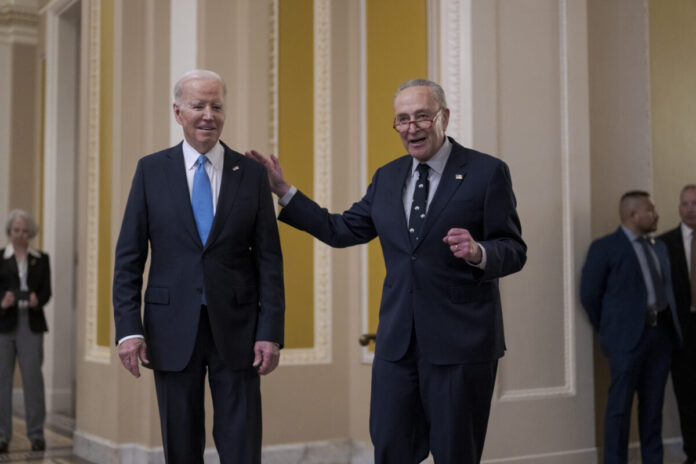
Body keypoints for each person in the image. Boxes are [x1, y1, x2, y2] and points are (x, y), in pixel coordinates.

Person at [247, 79, 526, 464]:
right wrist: (283, 190)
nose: (412, 128)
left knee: (455, 454)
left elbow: (514, 249)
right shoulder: (388, 176)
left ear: (443, 117)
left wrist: (478, 252)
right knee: (391, 450)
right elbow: (340, 229)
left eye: (422, 117)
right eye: (402, 120)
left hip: (461, 346)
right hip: (397, 346)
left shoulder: (486, 172)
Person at [113, 69, 285, 464]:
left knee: (242, 447)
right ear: (178, 112)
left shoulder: (253, 174)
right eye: (198, 106)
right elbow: (128, 260)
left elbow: (269, 261)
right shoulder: (150, 171)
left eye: (217, 106)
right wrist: (128, 330)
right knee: (181, 448)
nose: (208, 114)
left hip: (240, 332)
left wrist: (270, 331)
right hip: (170, 330)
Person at [580, 191, 682, 464]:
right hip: (625, 342)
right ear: (632, 215)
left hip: (659, 338)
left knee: (653, 409)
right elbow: (589, 295)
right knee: (619, 411)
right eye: (650, 210)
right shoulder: (605, 248)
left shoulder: (657, 246)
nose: (656, 214)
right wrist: (610, 332)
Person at [0, 210, 51, 453]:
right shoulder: (0, 258)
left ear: (30, 232)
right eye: (16, 230)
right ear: (9, 231)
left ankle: (36, 434)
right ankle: (2, 436)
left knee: (33, 380)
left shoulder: (41, 259)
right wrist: (3, 301)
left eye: (24, 231)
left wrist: (36, 300)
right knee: (2, 381)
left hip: (30, 324)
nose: (20, 235)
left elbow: (46, 292)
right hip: (4, 324)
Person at [657, 184, 696, 464]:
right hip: (681, 332)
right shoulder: (663, 243)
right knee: (687, 395)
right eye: (685, 203)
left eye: (695, 203)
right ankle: (693, 454)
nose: (690, 209)